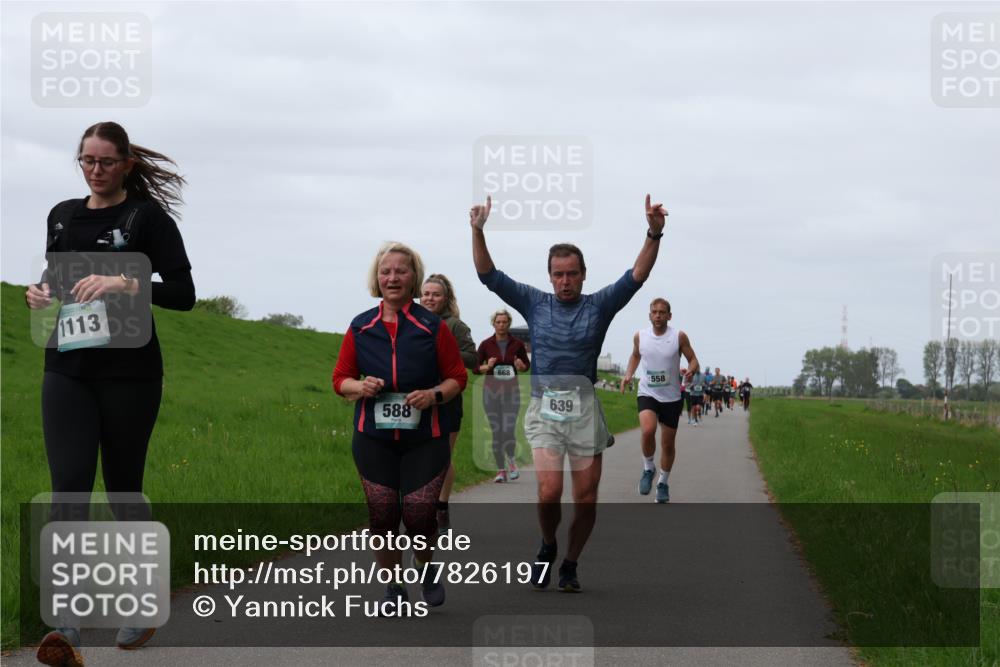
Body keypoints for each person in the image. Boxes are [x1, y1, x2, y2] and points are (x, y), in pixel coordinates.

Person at [27, 122, 195, 666]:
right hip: (67, 368)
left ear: (125, 164)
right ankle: (66, 624)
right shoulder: (61, 214)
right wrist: (39, 294)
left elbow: (185, 295)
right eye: (86, 161)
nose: (95, 171)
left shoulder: (146, 219)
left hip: (130, 375)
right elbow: (57, 280)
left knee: (123, 486)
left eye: (105, 162)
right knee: (68, 487)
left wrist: (126, 283)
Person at [470, 193, 667, 592]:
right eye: (558, 274)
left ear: (583, 274)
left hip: (584, 412)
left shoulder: (599, 306)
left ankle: (570, 563)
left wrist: (654, 233)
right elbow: (489, 276)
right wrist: (477, 230)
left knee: (586, 499)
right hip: (545, 409)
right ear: (549, 276)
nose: (565, 281)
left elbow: (637, 275)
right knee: (548, 492)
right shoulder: (534, 302)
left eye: (572, 273)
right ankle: (547, 545)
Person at [333, 242, 467, 614]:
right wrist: (360, 387)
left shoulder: (432, 327)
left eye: (401, 271)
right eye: (385, 271)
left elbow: (457, 377)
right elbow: (340, 378)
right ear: (377, 278)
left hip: (425, 438)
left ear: (413, 279)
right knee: (383, 516)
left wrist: (434, 395)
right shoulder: (361, 326)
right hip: (373, 439)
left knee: (420, 514)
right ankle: (394, 585)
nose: (392, 277)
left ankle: (425, 567)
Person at [621, 299, 699, 503]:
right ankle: (648, 469)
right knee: (647, 430)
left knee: (668, 444)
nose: (658, 316)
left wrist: (691, 370)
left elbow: (693, 359)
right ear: (649, 315)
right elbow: (635, 356)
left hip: (672, 397)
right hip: (648, 392)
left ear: (669, 316)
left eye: (662, 312)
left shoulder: (678, 336)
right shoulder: (640, 336)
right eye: (654, 312)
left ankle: (663, 483)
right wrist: (629, 374)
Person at [419, 274, 478, 533]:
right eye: (426, 293)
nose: (430, 298)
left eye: (436, 294)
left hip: (448, 399)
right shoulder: (413, 322)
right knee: (418, 456)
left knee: (442, 457)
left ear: (446, 298)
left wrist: (444, 351)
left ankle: (441, 506)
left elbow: (473, 358)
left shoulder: (455, 325)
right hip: (418, 399)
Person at [477, 309, 530, 482]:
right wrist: (487, 366)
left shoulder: (517, 344)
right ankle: (501, 470)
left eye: (504, 322)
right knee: (496, 432)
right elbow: (475, 368)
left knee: (507, 429)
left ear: (509, 323)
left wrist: (521, 365)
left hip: (511, 394)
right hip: (490, 394)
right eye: (498, 322)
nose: (501, 325)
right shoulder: (486, 344)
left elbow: (526, 366)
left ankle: (512, 462)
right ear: (494, 323)